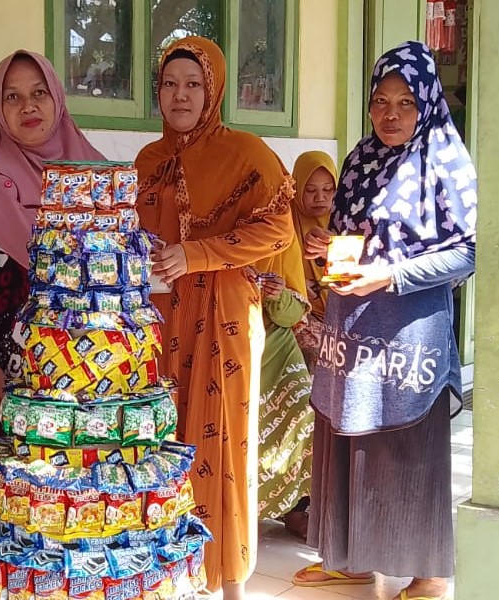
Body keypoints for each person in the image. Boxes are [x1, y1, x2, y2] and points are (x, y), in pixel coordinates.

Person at [291, 41, 476, 600]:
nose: (389, 114)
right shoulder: (360, 159)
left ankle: (429, 575)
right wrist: (328, 246)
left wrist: (391, 275)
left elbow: (468, 252)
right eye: (380, 101)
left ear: (427, 104)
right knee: (349, 441)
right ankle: (351, 559)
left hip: (408, 335)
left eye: (405, 103)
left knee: (405, 449)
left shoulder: (445, 162)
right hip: (352, 330)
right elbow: (357, 237)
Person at [0, 49, 104, 600]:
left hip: (89, 379)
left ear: (57, 100)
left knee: (81, 505)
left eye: (39, 93)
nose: (28, 106)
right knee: (8, 506)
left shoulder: (93, 178)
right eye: (12, 96)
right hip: (11, 382)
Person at [136, 36, 295, 599]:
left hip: (224, 314)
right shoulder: (148, 161)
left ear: (214, 91)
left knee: (223, 441)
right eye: (169, 84)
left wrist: (197, 253)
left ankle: (228, 580)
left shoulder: (246, 154)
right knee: (163, 437)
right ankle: (169, 575)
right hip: (162, 318)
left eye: (193, 84)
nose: (180, 96)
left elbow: (278, 229)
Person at [253, 239, 314, 541]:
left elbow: (293, 316)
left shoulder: (280, 238)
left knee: (305, 408)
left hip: (277, 350)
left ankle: (298, 507)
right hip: (225, 345)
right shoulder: (211, 234)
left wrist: (278, 296)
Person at [290, 151, 338, 370]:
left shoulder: (345, 218)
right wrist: (297, 286)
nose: (320, 197)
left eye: (328, 190)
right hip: (301, 312)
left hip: (341, 309)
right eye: (310, 190)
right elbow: (272, 267)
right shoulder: (284, 221)